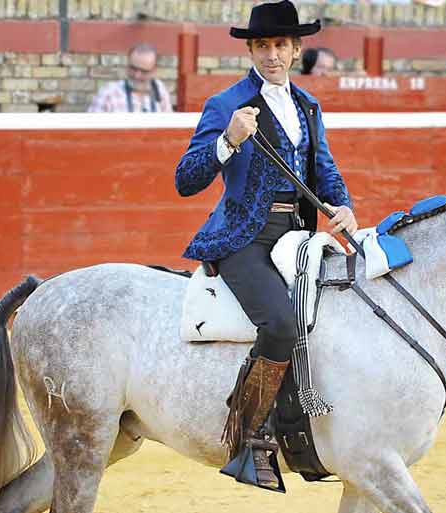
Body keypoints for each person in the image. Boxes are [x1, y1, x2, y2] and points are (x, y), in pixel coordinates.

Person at [174, 0, 357, 492]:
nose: (272, 54)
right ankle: (248, 439)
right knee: (279, 322)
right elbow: (186, 180)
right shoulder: (225, 104)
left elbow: (324, 170)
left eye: (281, 45)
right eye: (263, 45)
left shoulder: (307, 107)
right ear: (251, 49)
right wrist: (227, 141)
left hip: (299, 236)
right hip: (244, 237)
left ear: (296, 49)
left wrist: (343, 206)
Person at [87, 43, 173, 113]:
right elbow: (90, 130)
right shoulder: (108, 93)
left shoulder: (160, 90)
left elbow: (170, 128)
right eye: (133, 68)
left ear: (154, 71)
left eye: (144, 71)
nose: (137, 75)